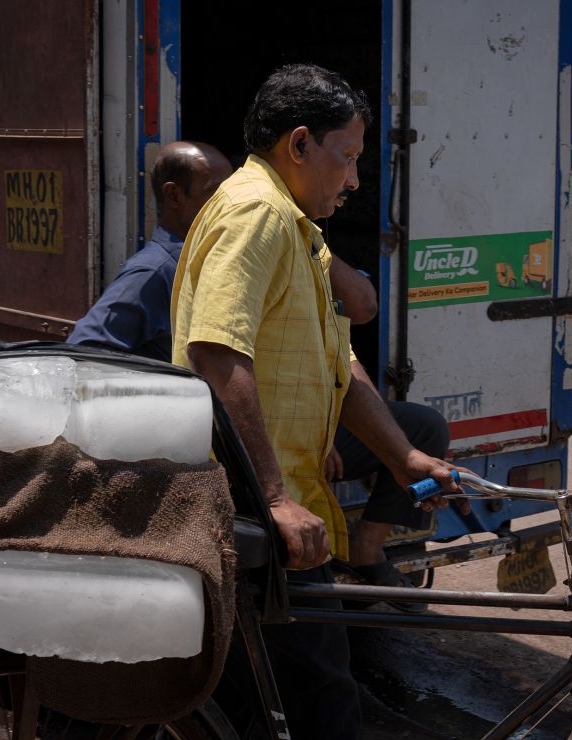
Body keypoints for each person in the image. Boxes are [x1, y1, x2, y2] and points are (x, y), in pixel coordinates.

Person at [171, 63, 462, 739]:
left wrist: (403, 455)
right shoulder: (257, 214)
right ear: (299, 145)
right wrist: (274, 496)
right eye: (349, 158)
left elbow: (341, 363)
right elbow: (216, 354)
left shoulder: (298, 227)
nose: (355, 181)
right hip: (256, 516)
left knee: (277, 707)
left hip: (283, 516)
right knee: (325, 709)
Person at [68, 141, 233, 360]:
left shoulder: (201, 262)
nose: (230, 205)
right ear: (174, 195)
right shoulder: (152, 273)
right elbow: (83, 352)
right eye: (214, 193)